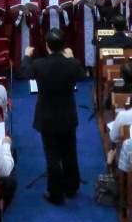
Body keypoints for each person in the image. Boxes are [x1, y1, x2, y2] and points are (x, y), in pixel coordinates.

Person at [20, 29, 85, 205]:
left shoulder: (39, 64)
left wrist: (26, 56)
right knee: (70, 152)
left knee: (52, 156)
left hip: (47, 115)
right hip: (67, 114)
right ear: (64, 46)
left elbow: (25, 72)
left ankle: (55, 194)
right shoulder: (73, 64)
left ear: (46, 45)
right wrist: (71, 58)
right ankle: (71, 187)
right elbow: (82, 76)